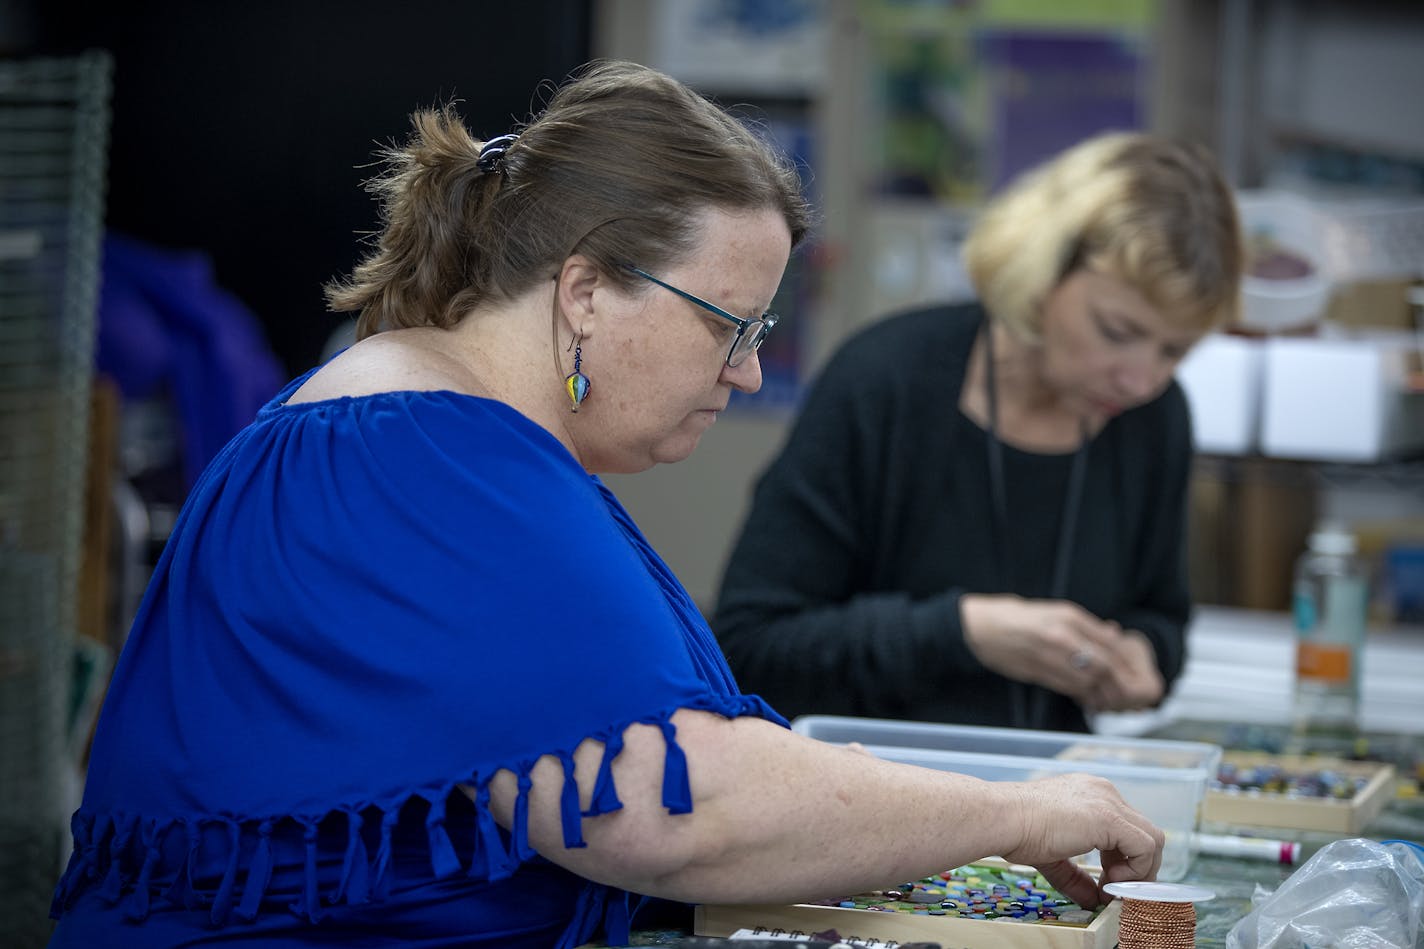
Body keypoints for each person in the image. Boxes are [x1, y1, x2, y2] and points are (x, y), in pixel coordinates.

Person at [49, 63, 1166, 949]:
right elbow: (666, 806)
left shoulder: (431, 425)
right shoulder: (420, 455)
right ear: (584, 288)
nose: (742, 374)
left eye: (759, 336)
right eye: (727, 325)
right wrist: (1016, 815)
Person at [714, 131, 1243, 733]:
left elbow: (1160, 619)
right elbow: (752, 646)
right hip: (865, 798)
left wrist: (1144, 658)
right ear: (1040, 273)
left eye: (1174, 350)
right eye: (1116, 331)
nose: (1142, 379)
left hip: (1056, 807)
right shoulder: (885, 383)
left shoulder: (1156, 420)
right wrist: (964, 634)